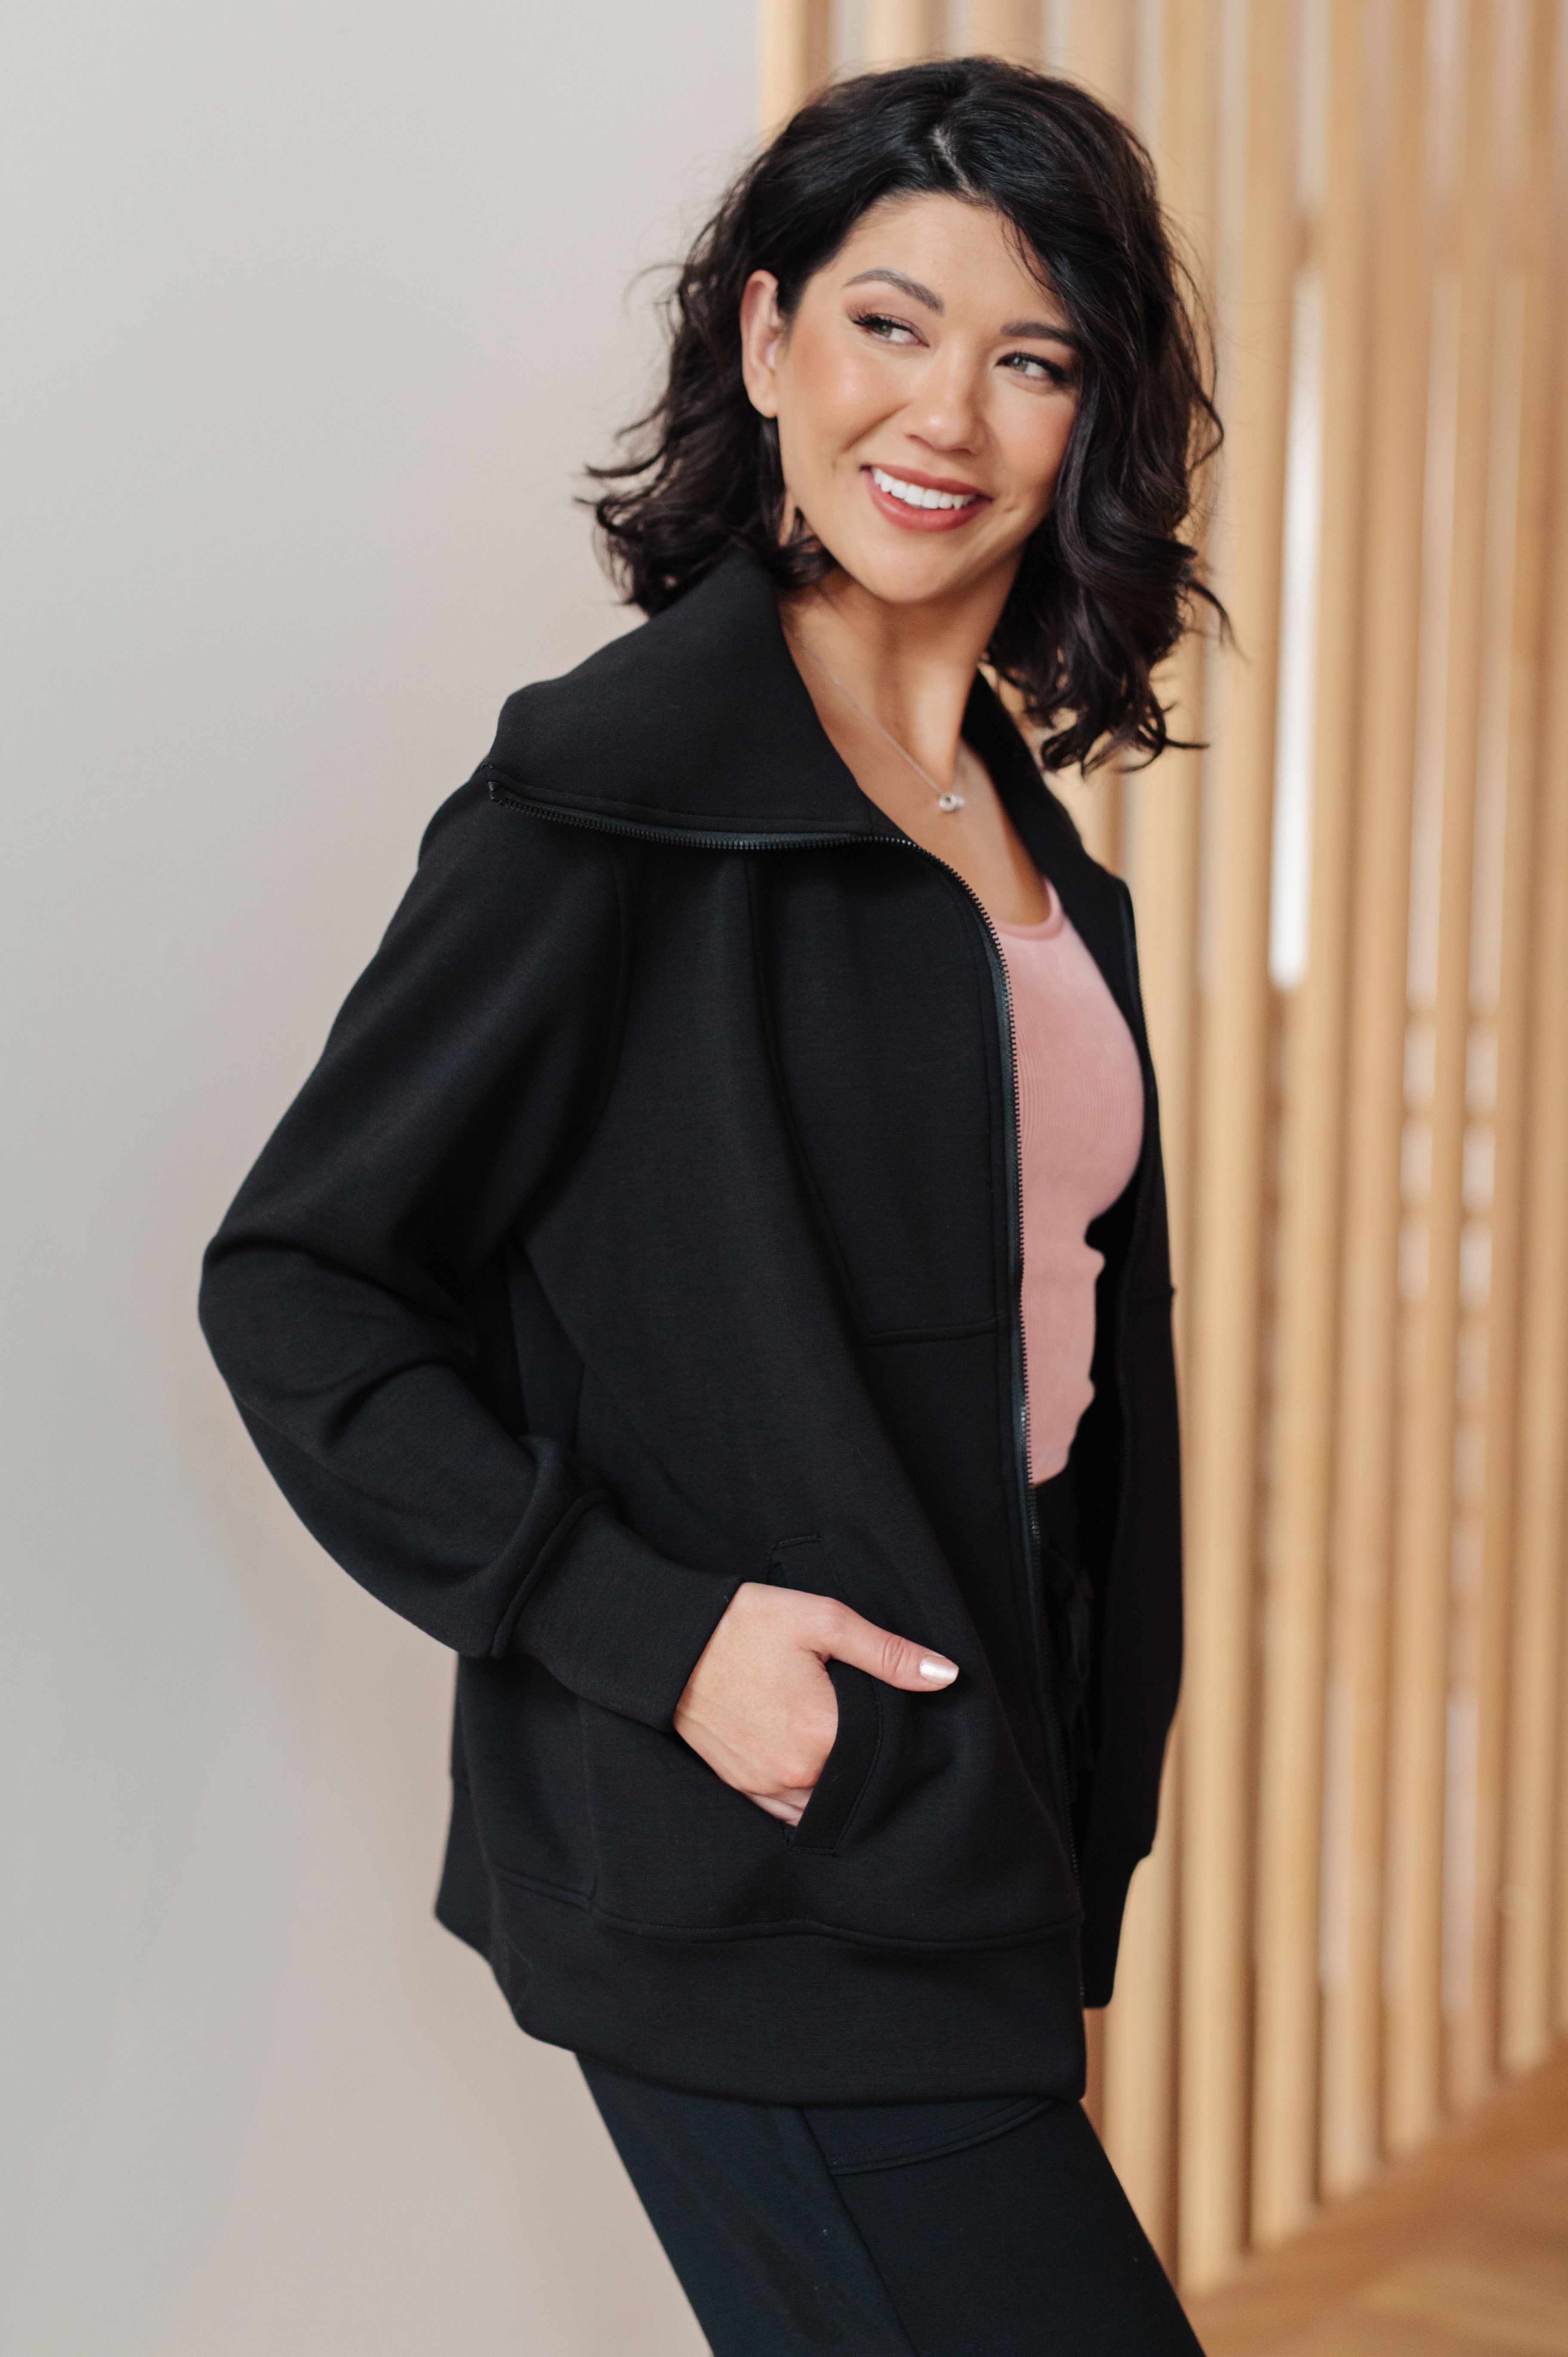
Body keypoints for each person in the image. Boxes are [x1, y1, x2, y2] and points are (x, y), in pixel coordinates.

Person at [200, 55, 1218, 2356]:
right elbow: (306, 1288)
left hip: (974, 1834)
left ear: (1090, 422)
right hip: (757, 1849)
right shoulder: (610, 798)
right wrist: (662, 1639)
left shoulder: (1031, 857)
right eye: (889, 320)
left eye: (1031, 353)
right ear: (766, 345)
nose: (945, 406)